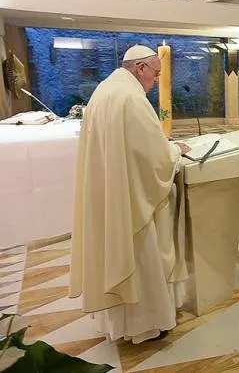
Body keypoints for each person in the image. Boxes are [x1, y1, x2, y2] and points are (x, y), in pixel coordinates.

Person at [70, 45, 190, 344]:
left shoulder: (106, 89)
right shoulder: (130, 97)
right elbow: (154, 159)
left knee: (118, 249)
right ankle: (145, 324)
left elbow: (130, 144)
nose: (154, 83)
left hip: (113, 189)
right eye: (155, 75)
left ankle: (121, 323)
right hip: (131, 197)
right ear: (140, 68)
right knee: (141, 256)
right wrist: (174, 150)